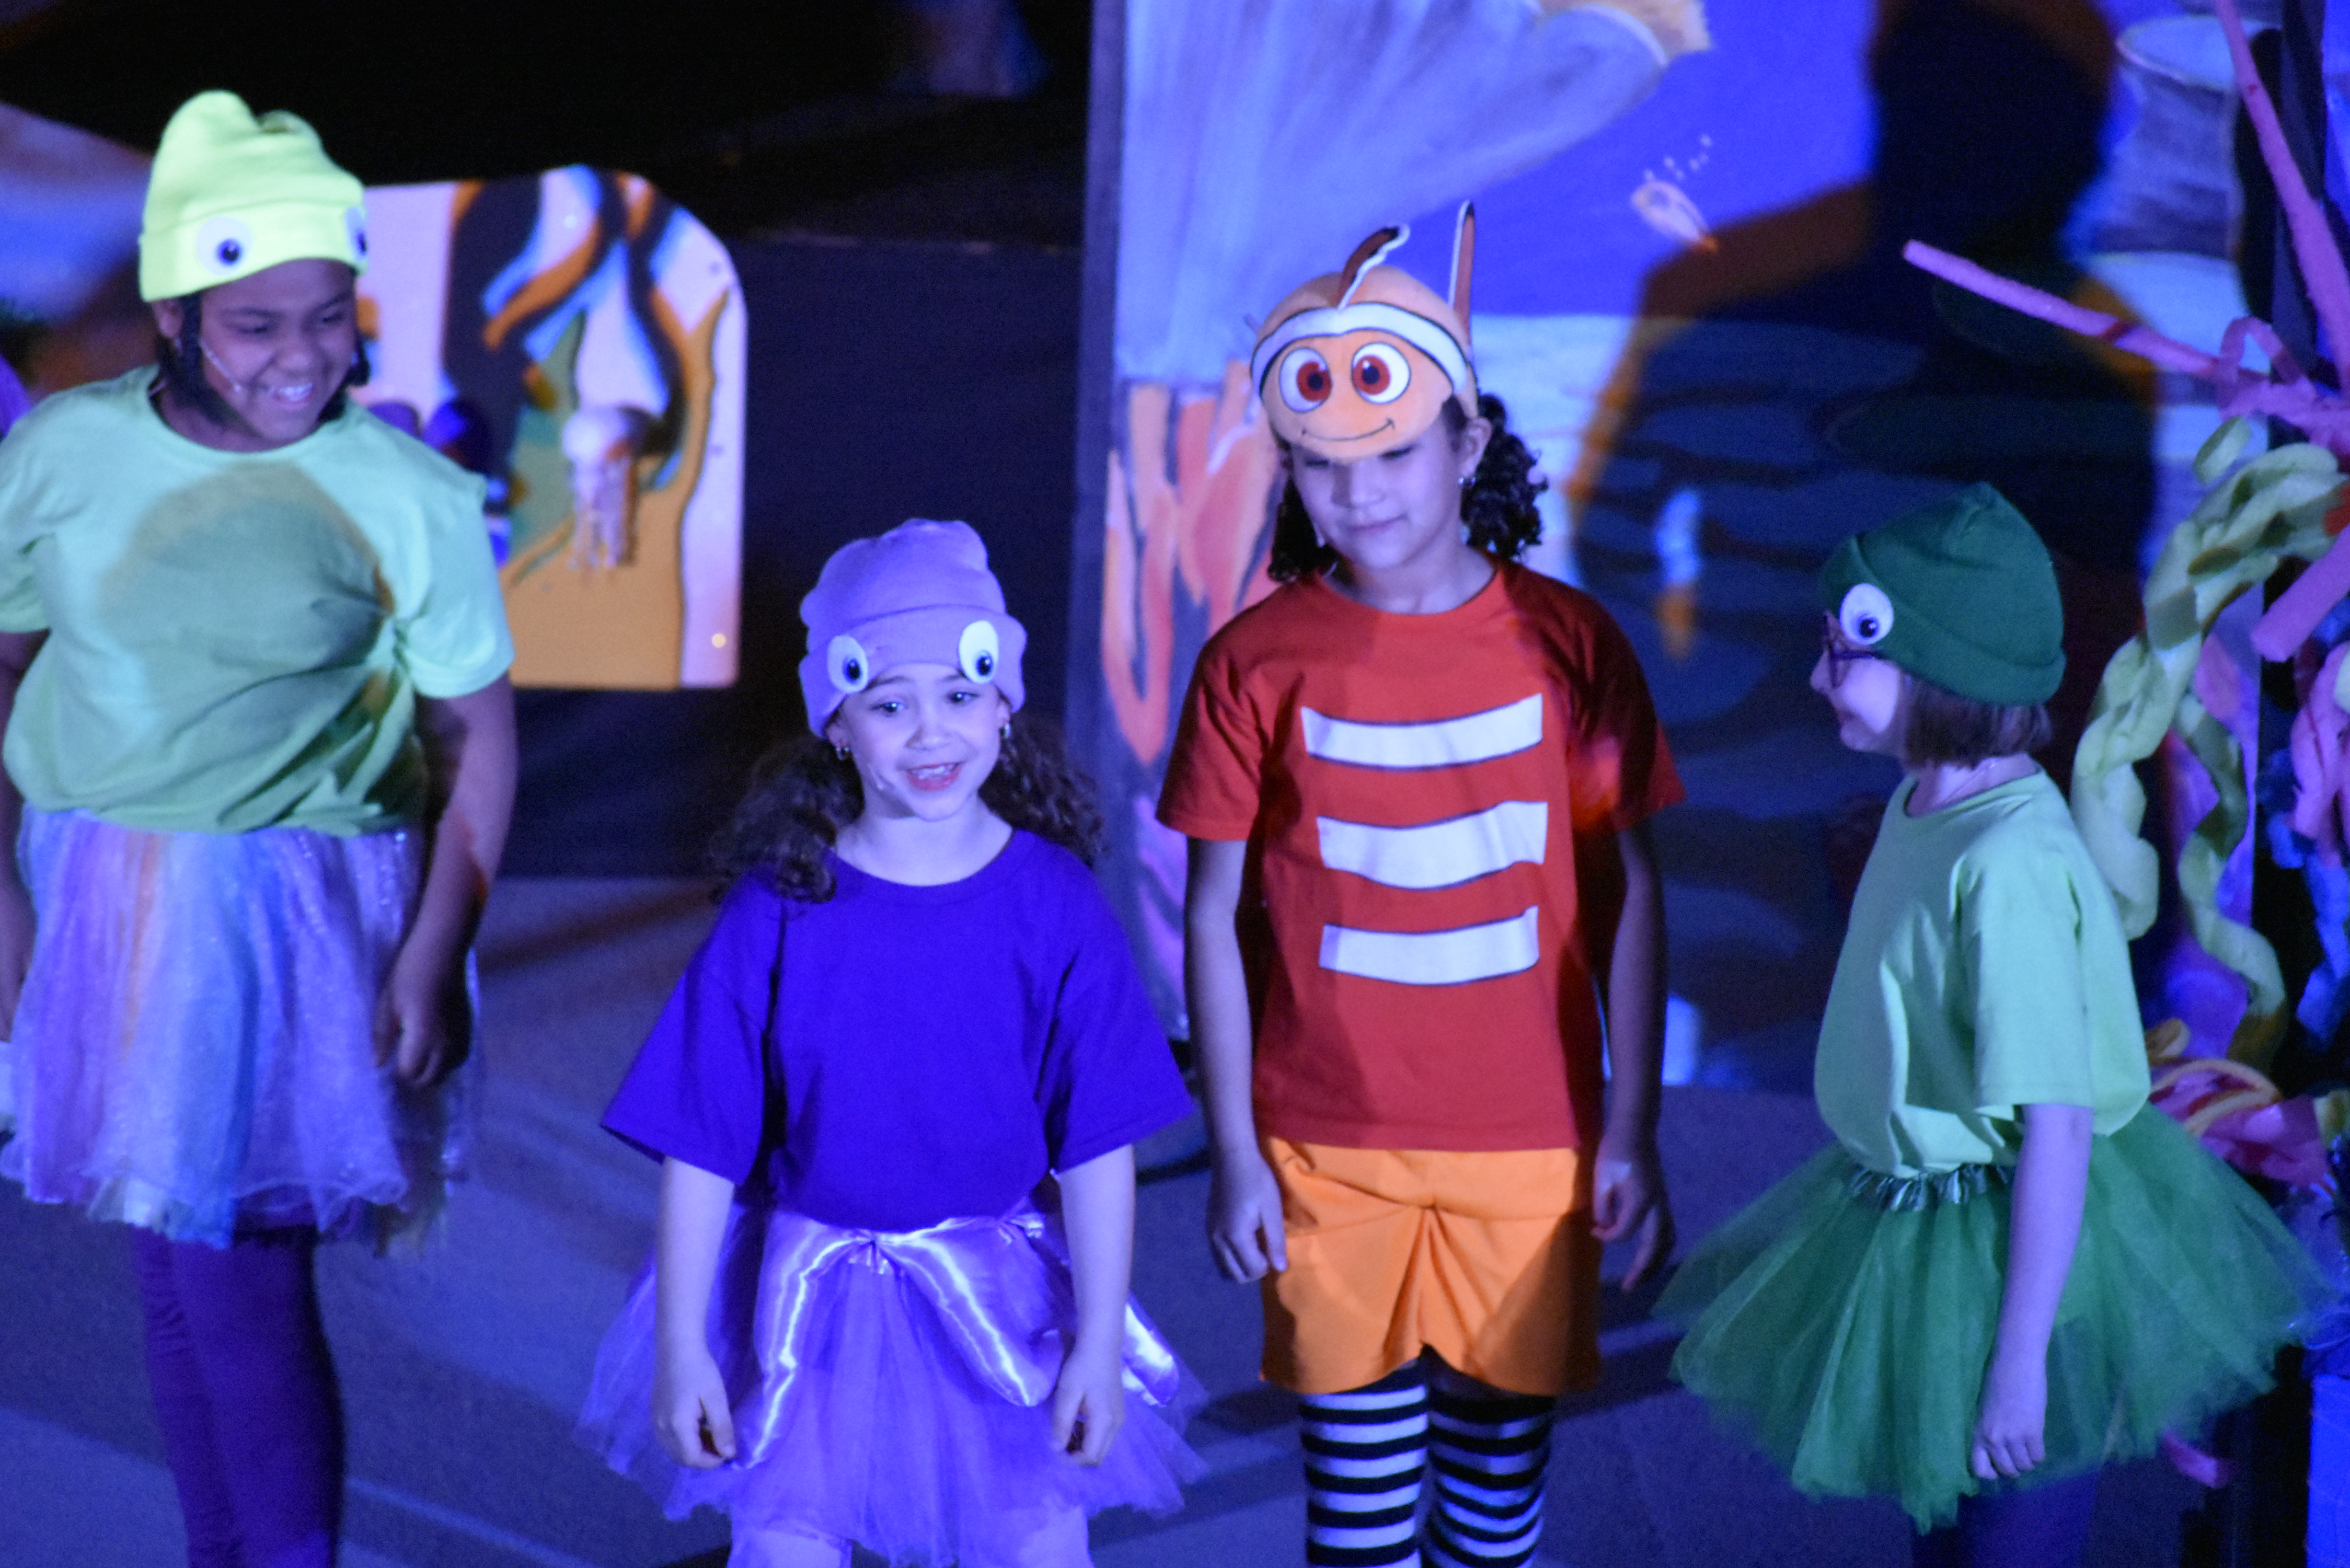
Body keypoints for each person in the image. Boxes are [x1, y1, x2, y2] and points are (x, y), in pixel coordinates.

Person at [0, 91, 517, 1566]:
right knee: (178, 1264)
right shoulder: (64, 458)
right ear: (173, 316)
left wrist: (435, 949)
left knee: (238, 1267)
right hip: (107, 888)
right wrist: (8, 904)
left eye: (329, 317)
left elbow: (476, 734)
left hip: (286, 912)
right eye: (254, 325)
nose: (303, 357)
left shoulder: (400, 492)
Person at [1657, 486, 2323, 1564]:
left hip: (2024, 1252)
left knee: (2009, 1532)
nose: (1819, 678)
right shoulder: (1924, 804)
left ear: (1940, 669)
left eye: (1844, 653)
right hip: (1931, 1219)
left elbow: (2057, 1124)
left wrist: (2019, 1362)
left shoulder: (2006, 864)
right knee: (1952, 1521)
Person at [1158, 211, 1684, 1568]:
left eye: (1394, 452)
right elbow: (1212, 914)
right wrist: (1234, 1152)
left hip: (1529, 1145)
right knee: (1361, 1513)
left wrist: (1631, 1127)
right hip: (1325, 1150)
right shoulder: (1253, 663)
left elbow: (1626, 893)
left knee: (1496, 1509)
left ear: (1468, 443)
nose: (1361, 492)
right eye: (1323, 465)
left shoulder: (1571, 646)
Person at [578, 520, 1202, 1568]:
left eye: (959, 693)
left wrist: (1098, 1339)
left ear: (1003, 705)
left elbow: (1098, 1146)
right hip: (804, 1308)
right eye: (890, 703)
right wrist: (683, 1345)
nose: (929, 733)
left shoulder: (1055, 905)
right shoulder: (781, 906)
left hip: (998, 1310)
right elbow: (702, 1146)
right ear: (837, 720)